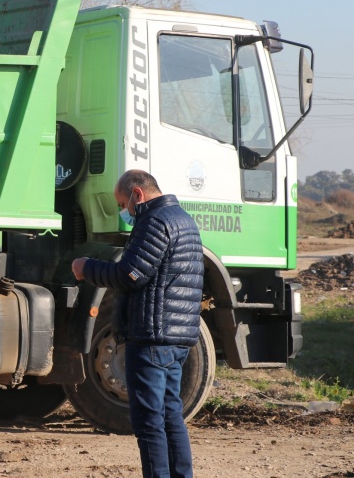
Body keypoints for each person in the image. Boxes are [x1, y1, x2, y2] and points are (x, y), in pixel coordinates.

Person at [71, 169, 203, 478]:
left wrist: (86, 268)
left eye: (123, 203)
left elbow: (130, 274)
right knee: (171, 416)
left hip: (152, 336)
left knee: (149, 421)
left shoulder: (155, 222)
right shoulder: (183, 219)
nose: (124, 211)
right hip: (176, 336)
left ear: (138, 194)